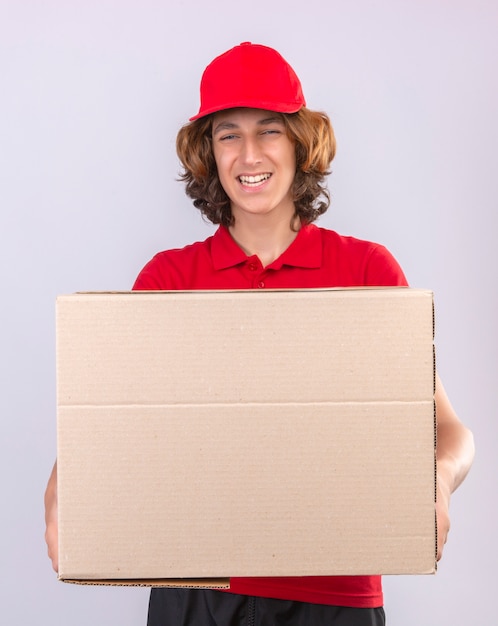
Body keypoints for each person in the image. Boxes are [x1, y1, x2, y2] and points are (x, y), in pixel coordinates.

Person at [45, 42, 475, 626]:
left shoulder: (367, 273)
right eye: (228, 134)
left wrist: (438, 487)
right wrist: (61, 495)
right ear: (209, 153)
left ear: (300, 143)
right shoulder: (170, 279)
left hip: (334, 592)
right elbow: (106, 424)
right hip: (195, 587)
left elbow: (448, 429)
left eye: (269, 130)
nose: (250, 153)